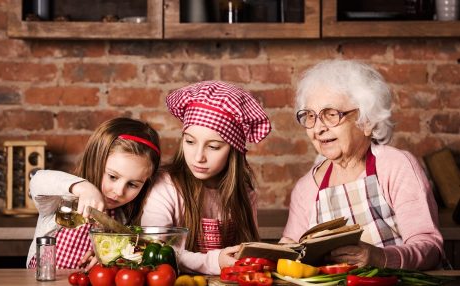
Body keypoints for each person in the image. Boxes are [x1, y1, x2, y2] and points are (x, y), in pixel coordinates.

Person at [280, 59, 444, 270]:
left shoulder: (395, 167)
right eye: (310, 116)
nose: (318, 128)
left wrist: (380, 258)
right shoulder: (306, 189)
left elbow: (430, 248)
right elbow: (291, 252)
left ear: (367, 121)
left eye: (331, 115)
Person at [141, 80, 272, 274]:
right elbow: (154, 248)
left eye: (213, 146)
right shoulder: (165, 186)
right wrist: (214, 261)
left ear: (234, 150)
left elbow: (246, 250)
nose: (198, 156)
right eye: (190, 141)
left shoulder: (245, 191)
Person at [26, 117, 161, 269]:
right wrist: (84, 188)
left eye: (132, 184)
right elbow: (37, 180)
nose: (119, 191)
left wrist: (110, 256)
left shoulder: (123, 220)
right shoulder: (62, 199)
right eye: (112, 176)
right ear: (94, 162)